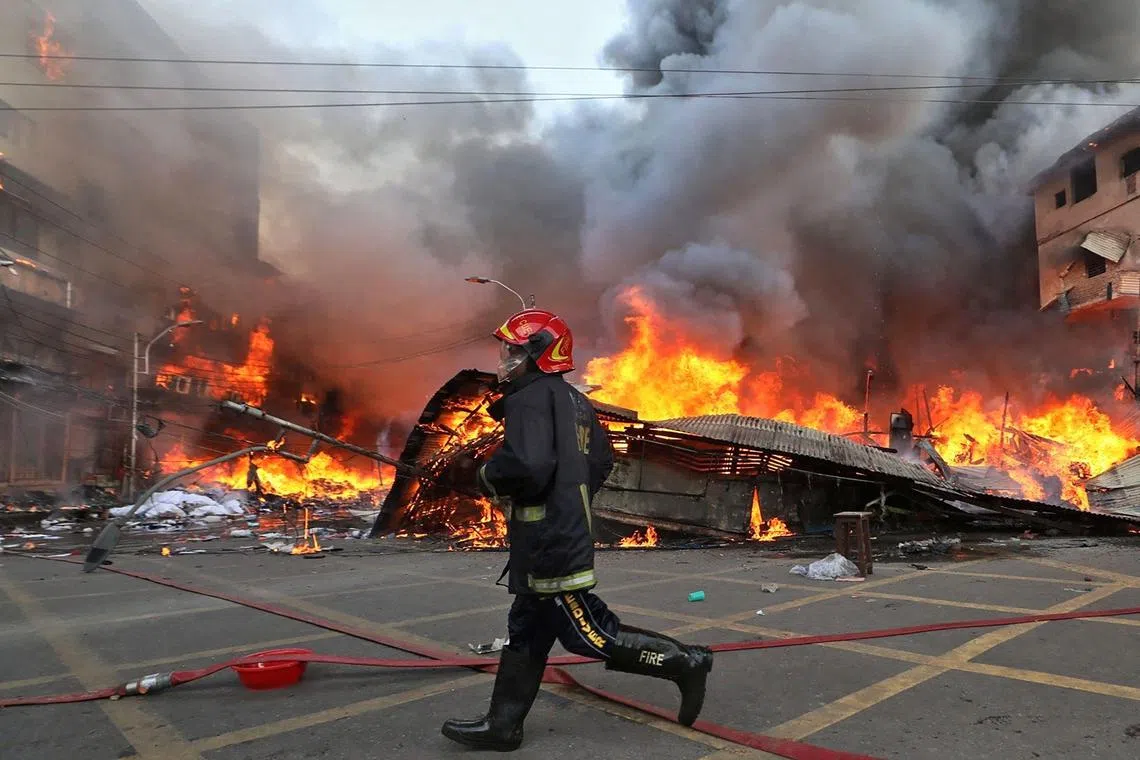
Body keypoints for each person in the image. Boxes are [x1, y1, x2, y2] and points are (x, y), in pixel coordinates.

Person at [441, 308, 714, 752]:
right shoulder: (574, 401)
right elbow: (601, 462)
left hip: (550, 542)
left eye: (512, 349)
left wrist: (485, 474)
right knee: (526, 630)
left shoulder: (529, 399)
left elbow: (526, 466)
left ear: (537, 354)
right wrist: (570, 493)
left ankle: (685, 662)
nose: (504, 357)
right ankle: (503, 726)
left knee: (588, 632)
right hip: (557, 533)